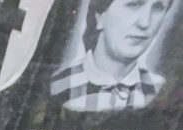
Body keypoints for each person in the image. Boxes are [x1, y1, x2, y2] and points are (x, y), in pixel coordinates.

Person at [48, 0, 177, 110]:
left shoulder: (163, 91)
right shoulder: (57, 88)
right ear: (99, 16)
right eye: (134, 5)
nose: (145, 23)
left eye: (158, 8)